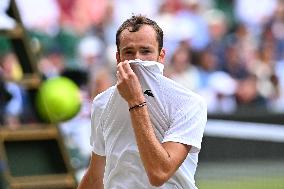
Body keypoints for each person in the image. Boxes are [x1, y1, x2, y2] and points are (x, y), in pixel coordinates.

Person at [78, 15, 207, 189]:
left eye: (145, 51)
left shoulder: (188, 103)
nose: (137, 59)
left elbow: (159, 173)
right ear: (118, 58)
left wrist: (135, 101)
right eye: (129, 52)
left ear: (161, 56)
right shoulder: (102, 103)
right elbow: (96, 175)